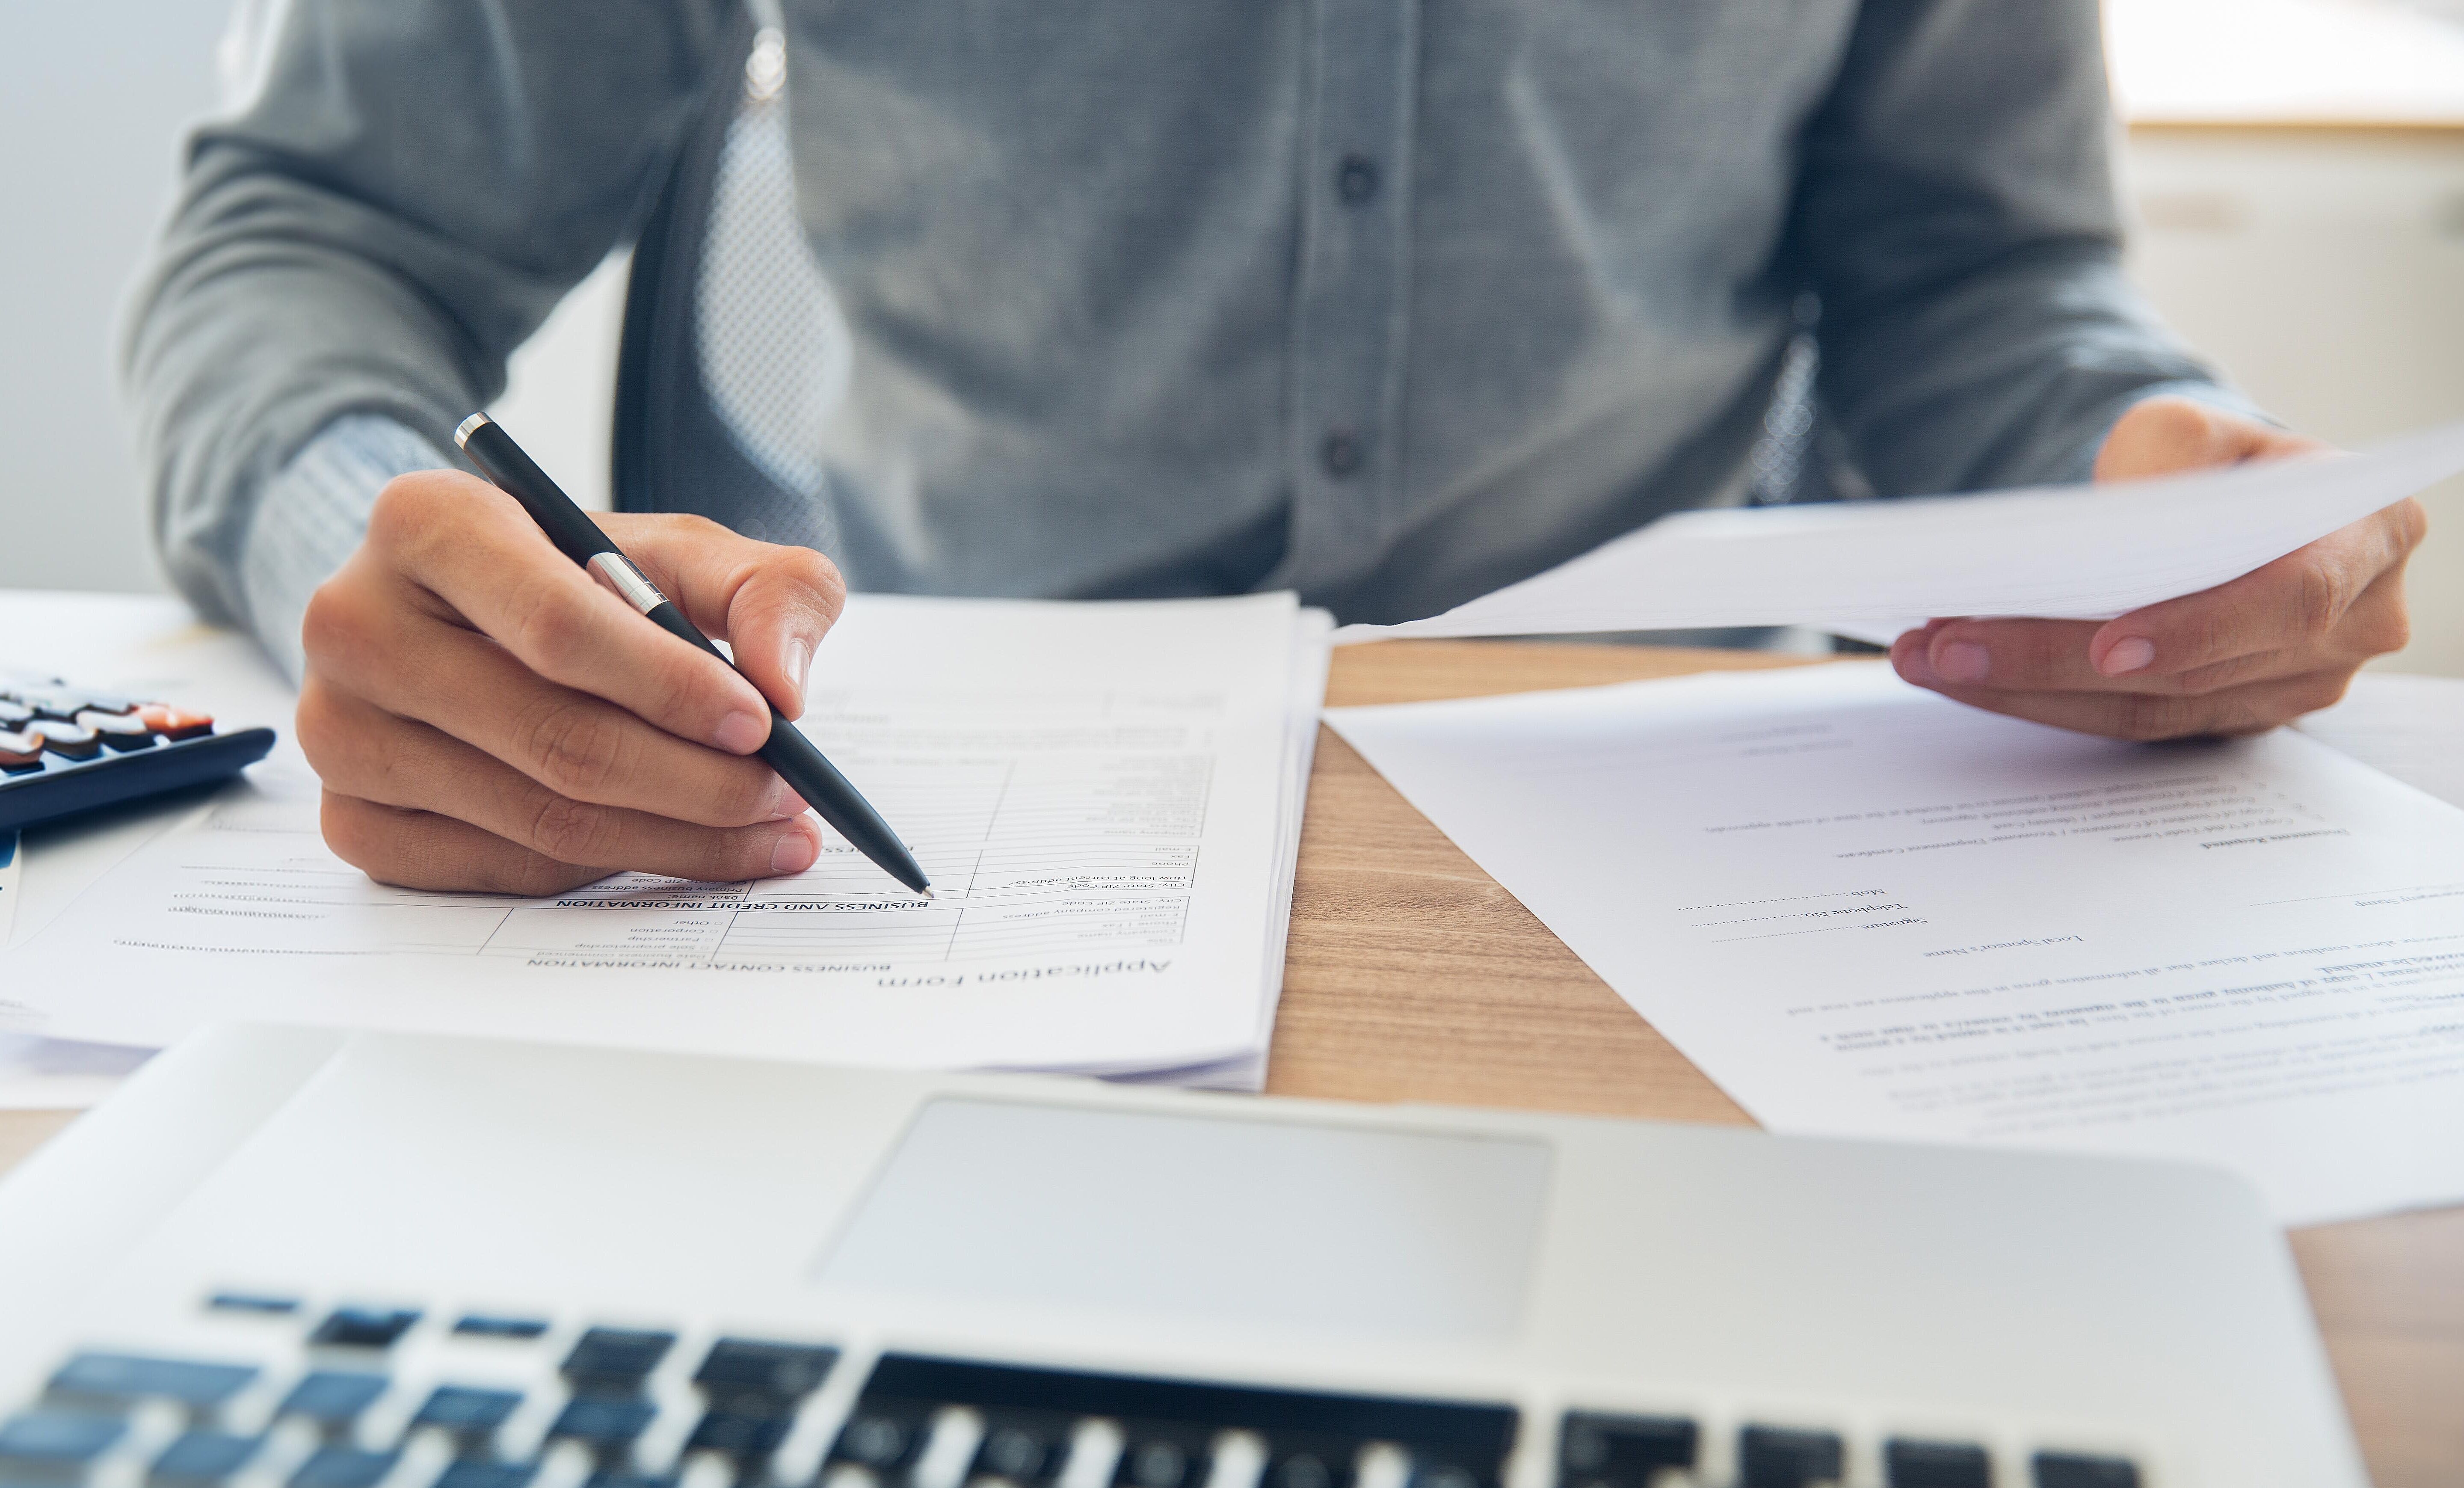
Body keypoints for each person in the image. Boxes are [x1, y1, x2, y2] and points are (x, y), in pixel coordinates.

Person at [127, 1, 2426, 896]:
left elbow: (1975, 271)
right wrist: (379, 539)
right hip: (938, 831)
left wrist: (2147, 476)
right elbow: (311, 236)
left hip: (1709, 842)